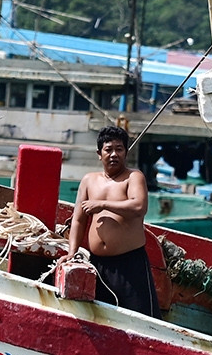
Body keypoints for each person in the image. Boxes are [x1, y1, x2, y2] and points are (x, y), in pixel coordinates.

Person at [66, 125, 159, 317]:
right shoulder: (88, 180)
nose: (114, 154)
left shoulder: (134, 177)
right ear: (99, 154)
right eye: (109, 149)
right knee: (99, 319)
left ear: (126, 152)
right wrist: (72, 252)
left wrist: (103, 205)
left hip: (130, 264)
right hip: (97, 264)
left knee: (141, 319)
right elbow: (78, 220)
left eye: (119, 149)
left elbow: (138, 207)